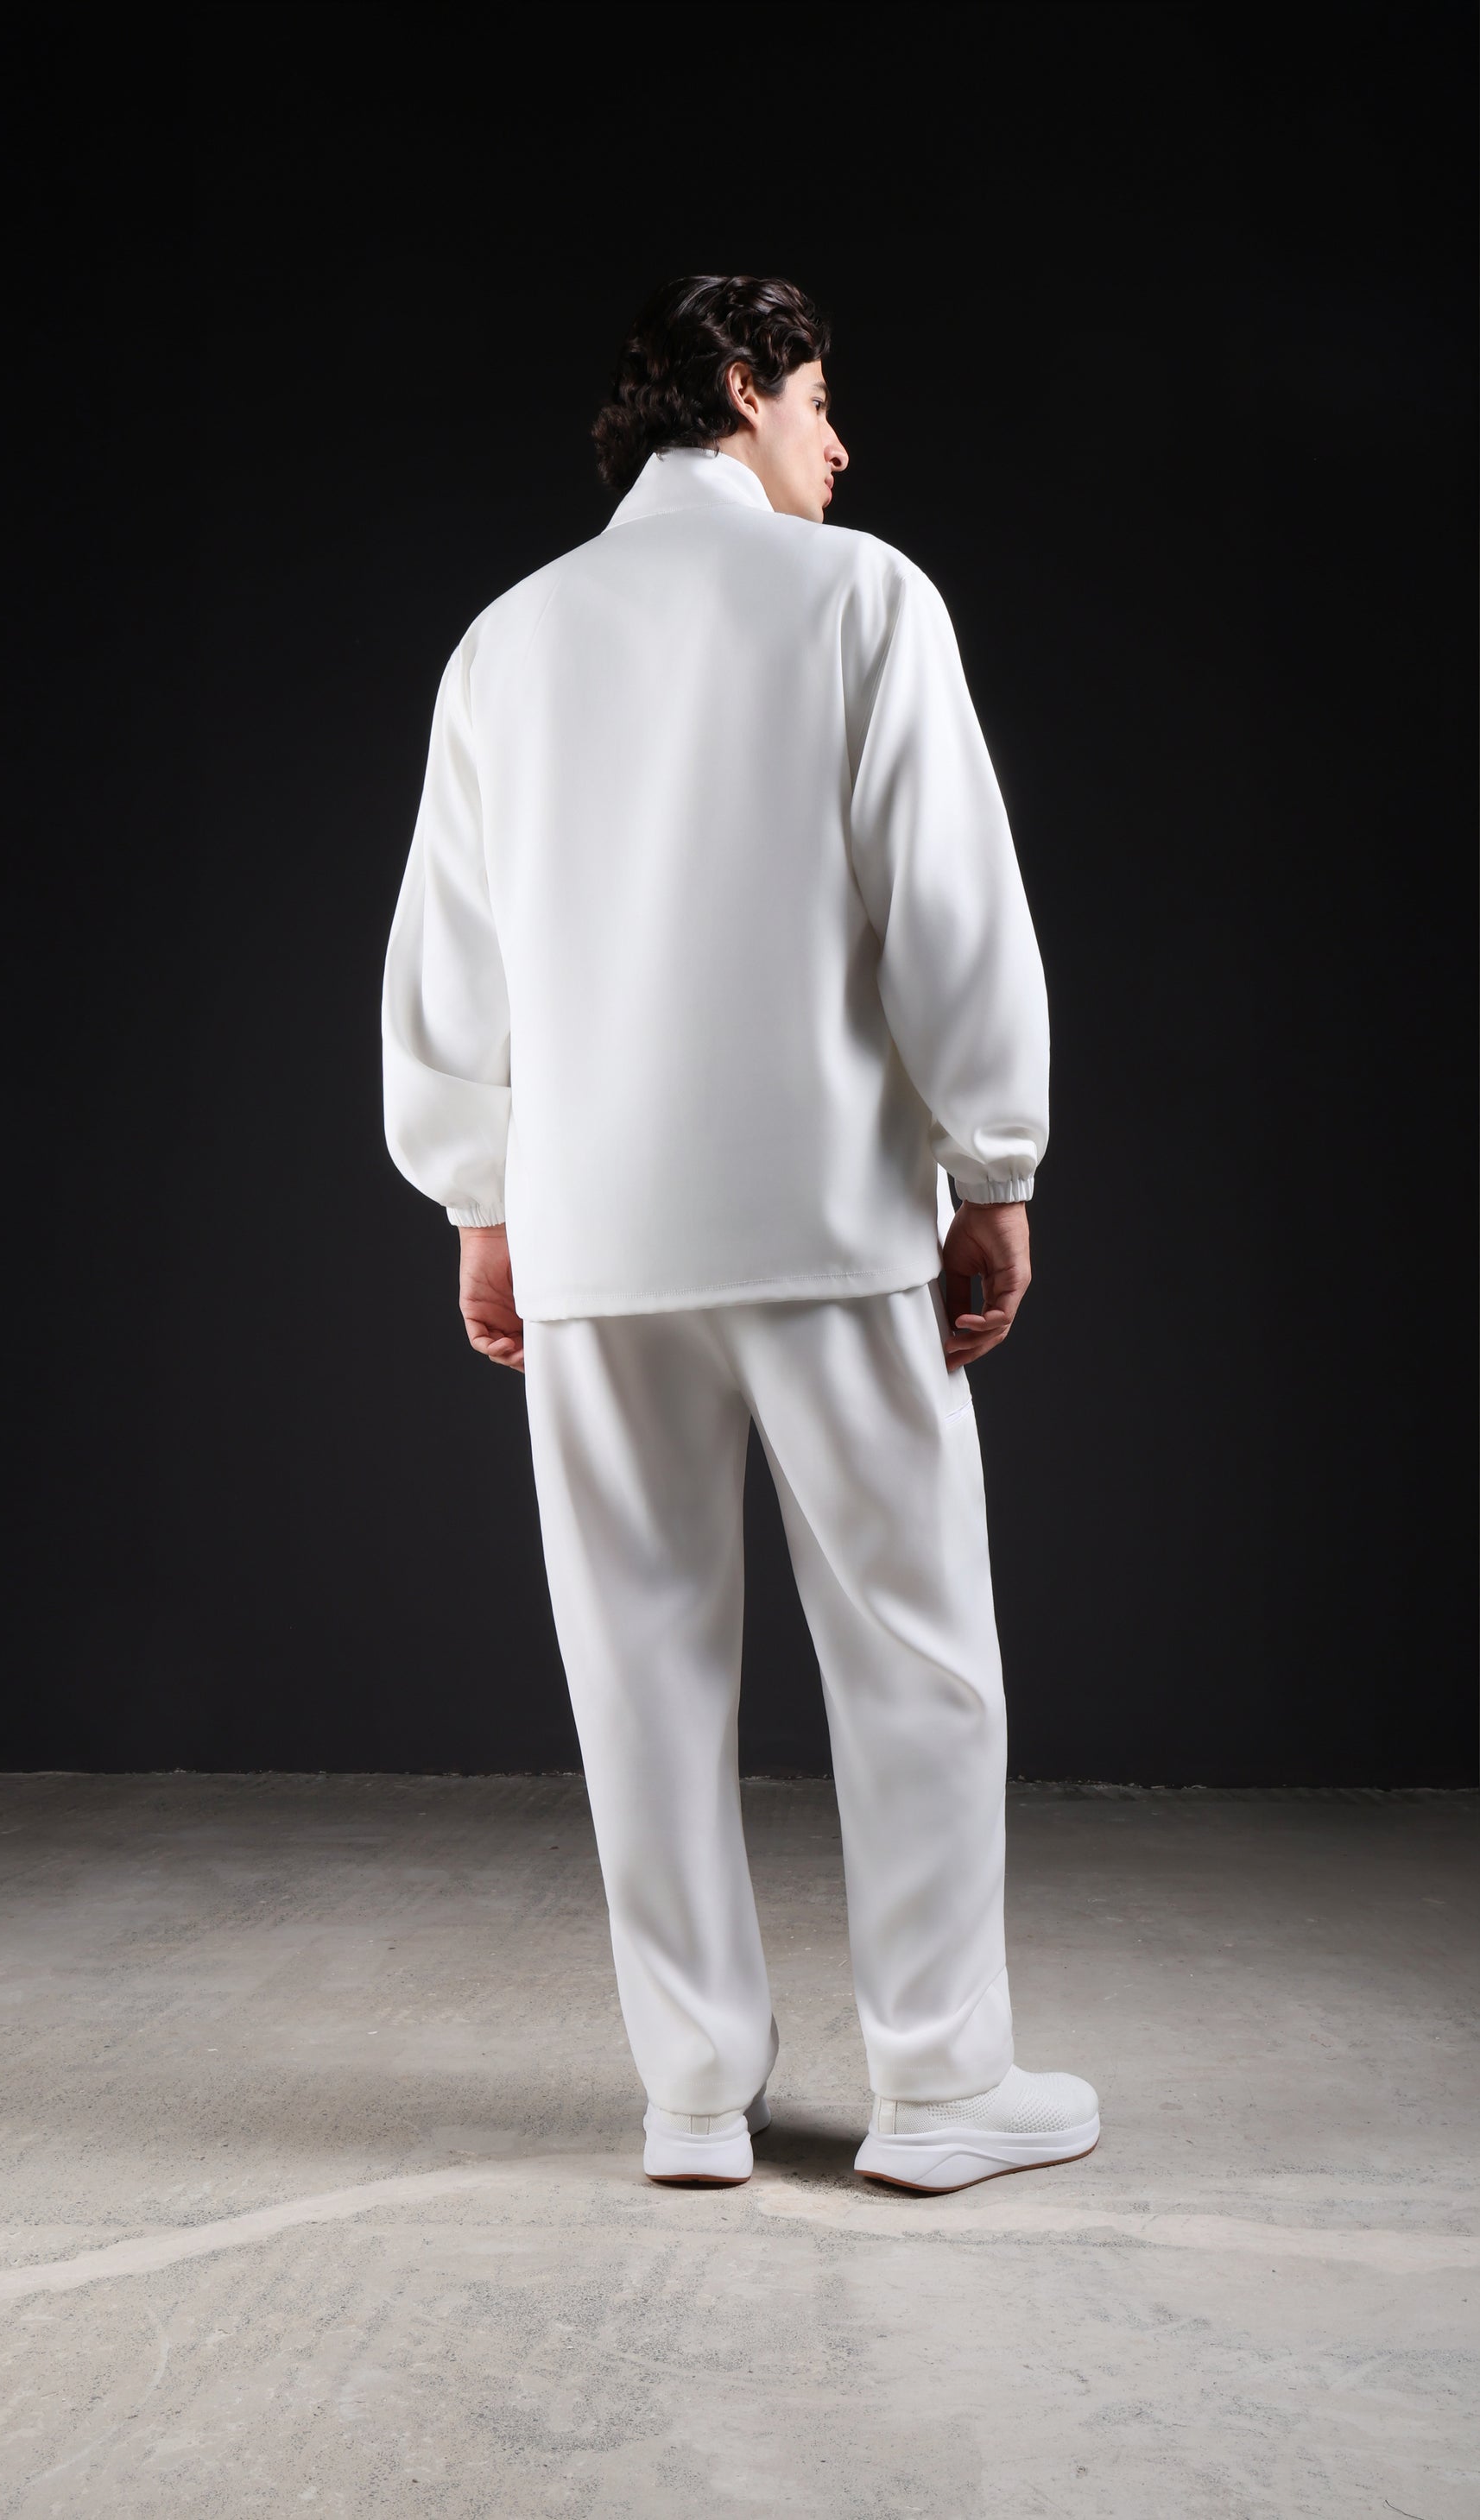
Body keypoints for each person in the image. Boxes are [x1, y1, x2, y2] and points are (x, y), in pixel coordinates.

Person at [381, 275, 1098, 2194]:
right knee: (917, 1652)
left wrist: (480, 1202)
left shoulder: (507, 640)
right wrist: (993, 1164)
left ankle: (692, 2090)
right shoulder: (860, 596)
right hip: (824, 1215)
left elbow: (451, 959)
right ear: (738, 388)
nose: (839, 446)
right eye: (818, 402)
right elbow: (946, 905)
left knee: (636, 1662)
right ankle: (937, 2084)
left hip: (593, 1235)